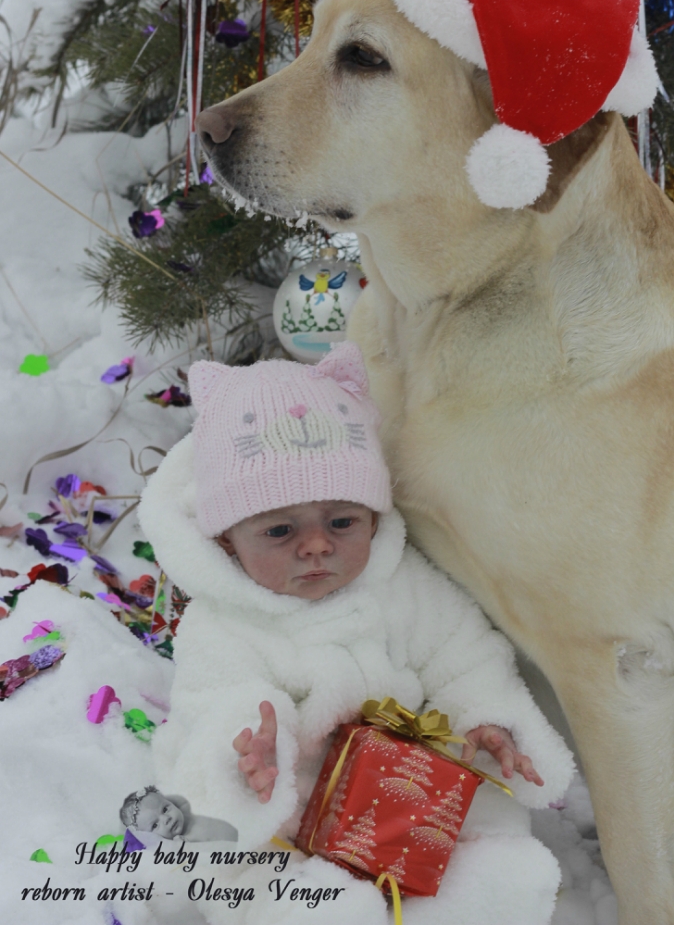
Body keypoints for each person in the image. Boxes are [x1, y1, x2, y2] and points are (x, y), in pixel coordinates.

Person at [139, 343, 574, 925]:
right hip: (290, 807)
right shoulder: (224, 622)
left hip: (406, 796)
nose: (317, 545)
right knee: (280, 887)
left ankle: (480, 897)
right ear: (226, 541)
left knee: (492, 861)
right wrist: (251, 754)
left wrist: (485, 718)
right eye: (279, 530)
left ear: (372, 517)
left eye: (342, 522)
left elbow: (461, 654)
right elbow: (212, 701)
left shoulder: (401, 585)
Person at [119, 785, 238, 842]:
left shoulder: (185, 813)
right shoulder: (172, 846)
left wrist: (158, 798)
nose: (166, 819)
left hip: (240, 840)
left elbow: (180, 800)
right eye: (155, 825)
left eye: (165, 809)